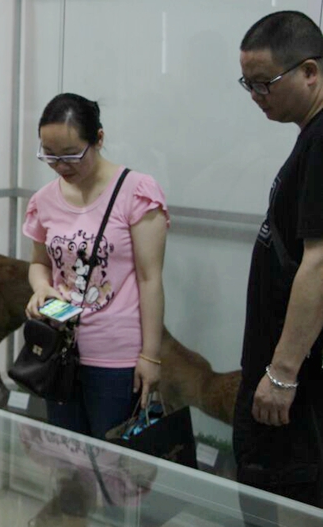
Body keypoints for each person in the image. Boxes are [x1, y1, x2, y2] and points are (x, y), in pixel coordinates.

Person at [23, 93, 170, 439]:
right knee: (67, 454)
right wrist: (42, 288)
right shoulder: (44, 199)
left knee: (113, 459)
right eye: (50, 155)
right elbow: (39, 263)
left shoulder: (136, 192)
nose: (61, 166)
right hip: (61, 350)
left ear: (99, 139)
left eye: (71, 154)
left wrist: (151, 356)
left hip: (117, 356)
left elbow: (150, 279)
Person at [234, 10, 323, 516]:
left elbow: (320, 263)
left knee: (286, 505)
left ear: (310, 71)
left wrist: (283, 373)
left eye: (264, 83)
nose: (255, 96)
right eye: (247, 84)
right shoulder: (310, 137)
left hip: (297, 387)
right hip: (282, 376)